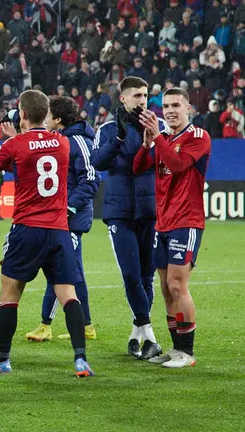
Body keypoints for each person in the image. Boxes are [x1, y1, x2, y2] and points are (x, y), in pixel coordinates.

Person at [0, 90, 95, 378]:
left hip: (27, 229)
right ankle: (80, 360)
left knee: (10, 294)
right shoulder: (62, 143)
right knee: (68, 294)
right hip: (58, 231)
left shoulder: (16, 143)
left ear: (23, 115)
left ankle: (2, 359)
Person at [133, 88, 211, 368]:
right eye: (165, 106)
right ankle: (175, 348)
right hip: (162, 223)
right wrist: (146, 145)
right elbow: (139, 166)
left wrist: (158, 140)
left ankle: (187, 353)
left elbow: (177, 165)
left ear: (188, 108)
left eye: (176, 105)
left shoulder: (198, 137)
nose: (170, 110)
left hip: (186, 222)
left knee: (178, 285)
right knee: (166, 289)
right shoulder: (163, 139)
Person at [90, 77, 166, 360]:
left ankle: (138, 336)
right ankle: (151, 336)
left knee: (146, 277)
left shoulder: (158, 128)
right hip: (119, 214)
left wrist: (155, 138)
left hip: (149, 212)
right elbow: (97, 162)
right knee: (132, 274)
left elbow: (163, 162)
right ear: (122, 98)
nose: (142, 100)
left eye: (146, 95)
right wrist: (120, 137)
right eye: (137, 95)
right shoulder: (108, 129)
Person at [25, 96, 100, 341]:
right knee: (67, 270)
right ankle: (83, 326)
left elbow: (90, 179)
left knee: (66, 270)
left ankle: (50, 325)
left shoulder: (78, 141)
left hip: (72, 218)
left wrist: (69, 209)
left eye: (47, 115)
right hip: (62, 217)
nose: (44, 120)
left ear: (57, 119)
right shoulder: (62, 140)